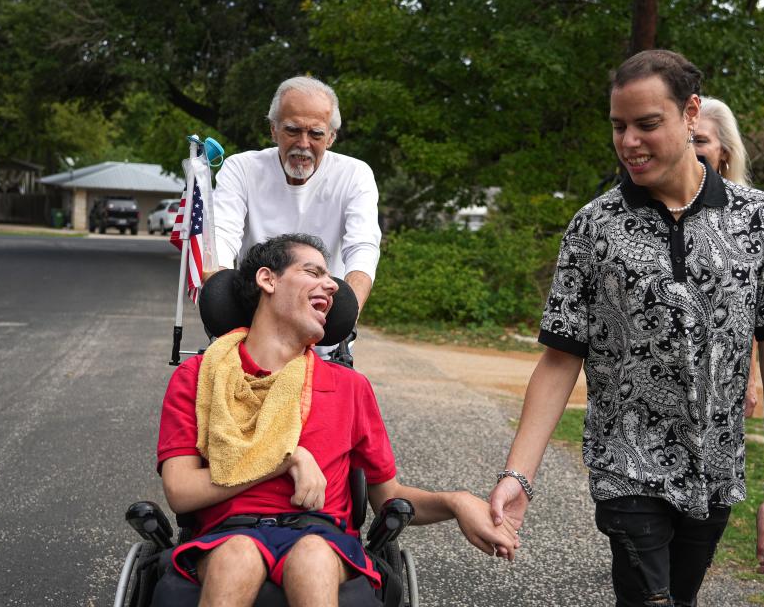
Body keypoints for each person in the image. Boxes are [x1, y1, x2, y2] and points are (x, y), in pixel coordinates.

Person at [489, 50, 764, 606]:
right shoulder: (595, 226)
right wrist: (519, 475)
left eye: (646, 124)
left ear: (690, 114)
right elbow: (561, 358)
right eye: (619, 126)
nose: (629, 141)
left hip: (714, 470)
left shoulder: (760, 218)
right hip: (626, 464)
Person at [158, 233, 517, 607]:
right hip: (227, 535)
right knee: (239, 555)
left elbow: (389, 498)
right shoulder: (200, 377)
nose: (331, 285)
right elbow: (181, 491)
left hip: (322, 537)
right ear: (268, 280)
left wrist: (457, 502)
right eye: (312, 271)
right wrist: (284, 460)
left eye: (330, 277)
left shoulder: (349, 387)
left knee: (311, 555)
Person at [212, 76, 380, 315]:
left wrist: (347, 313)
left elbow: (362, 246)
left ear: (331, 137)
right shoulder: (241, 168)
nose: (303, 143)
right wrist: (220, 301)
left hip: (324, 321)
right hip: (253, 322)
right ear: (273, 129)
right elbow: (222, 235)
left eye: (316, 134)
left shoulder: (355, 174)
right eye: (292, 130)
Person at [693, 95, 759, 417]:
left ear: (725, 153)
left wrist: (751, 380)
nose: (691, 148)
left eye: (701, 140)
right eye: (687, 138)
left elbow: (753, 313)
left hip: (722, 392)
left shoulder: (751, 221)